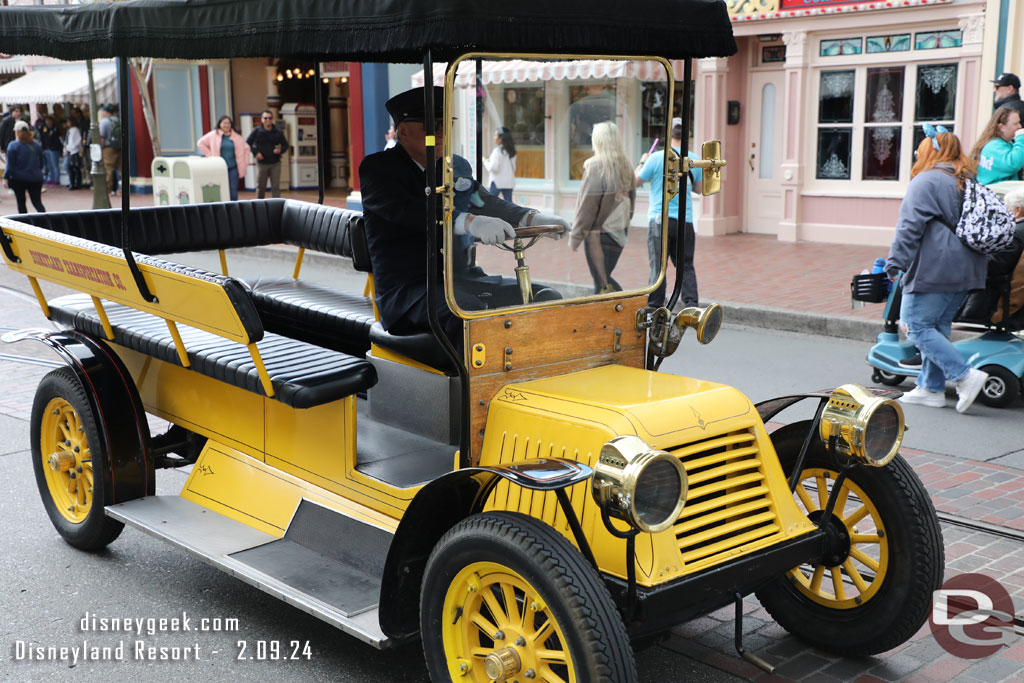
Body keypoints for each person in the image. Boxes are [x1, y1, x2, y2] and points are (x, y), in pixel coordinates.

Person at [359, 86, 567, 350]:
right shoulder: (379, 170)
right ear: (403, 132)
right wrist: (469, 222)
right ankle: (473, 389)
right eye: (431, 128)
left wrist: (529, 217)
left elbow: (481, 200)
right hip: (409, 292)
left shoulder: (454, 165)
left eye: (446, 125)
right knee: (468, 312)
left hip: (463, 280)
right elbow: (409, 211)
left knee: (544, 297)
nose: (441, 134)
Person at [884, 128, 988, 413]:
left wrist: (894, 264)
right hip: (969, 267)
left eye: (921, 149)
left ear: (931, 150)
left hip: (936, 266)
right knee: (937, 327)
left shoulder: (926, 181)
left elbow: (909, 228)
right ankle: (930, 388)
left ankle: (964, 376)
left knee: (915, 326)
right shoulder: (966, 179)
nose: (918, 154)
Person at [636, 117, 702, 309]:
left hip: (659, 219)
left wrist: (642, 162)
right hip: (685, 220)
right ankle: (691, 305)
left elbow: (634, 181)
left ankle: (655, 305)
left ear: (668, 134)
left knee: (658, 267)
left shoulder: (656, 158)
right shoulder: (694, 159)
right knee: (686, 265)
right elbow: (699, 189)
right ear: (687, 134)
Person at [570, 121, 636, 294]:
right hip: (619, 232)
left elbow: (587, 206)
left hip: (597, 236)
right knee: (603, 280)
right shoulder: (626, 165)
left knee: (602, 283)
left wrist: (575, 237)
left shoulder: (595, 166)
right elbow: (632, 201)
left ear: (598, 141)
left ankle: (628, 309)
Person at [197, 115, 250, 201]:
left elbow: (247, 148)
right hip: (219, 167)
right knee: (220, 188)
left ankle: (233, 208)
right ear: (220, 124)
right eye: (224, 123)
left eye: (228, 123)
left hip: (233, 167)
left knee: (233, 190)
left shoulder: (237, 137)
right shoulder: (213, 134)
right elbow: (200, 143)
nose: (227, 125)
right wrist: (210, 156)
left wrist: (245, 162)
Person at [971, 106, 1024, 185]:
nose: (1019, 126)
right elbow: (1012, 165)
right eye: (1015, 124)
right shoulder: (993, 147)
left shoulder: (1003, 143)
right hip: (995, 195)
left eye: (1019, 122)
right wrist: (1021, 139)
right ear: (1001, 127)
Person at [3, 120, 46, 214]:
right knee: (37, 202)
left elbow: (10, 165)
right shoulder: (36, 145)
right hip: (35, 177)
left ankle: (24, 224)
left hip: (19, 178)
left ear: (16, 131)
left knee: (21, 202)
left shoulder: (13, 145)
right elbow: (41, 162)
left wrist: (5, 178)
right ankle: (45, 221)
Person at [246, 110, 289, 198]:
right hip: (262, 163)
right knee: (261, 186)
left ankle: (276, 205)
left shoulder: (278, 131)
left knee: (276, 186)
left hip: (275, 163)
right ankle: (259, 204)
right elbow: (247, 143)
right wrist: (256, 153)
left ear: (272, 119)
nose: (267, 120)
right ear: (262, 119)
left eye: (270, 118)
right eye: (265, 118)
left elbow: (286, 145)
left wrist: (280, 150)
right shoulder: (257, 131)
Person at [483, 126, 516, 201]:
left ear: (500, 138)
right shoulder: (512, 151)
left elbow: (493, 168)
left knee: (491, 203)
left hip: (497, 182)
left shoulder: (497, 151)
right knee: (509, 205)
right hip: (509, 181)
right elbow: (514, 168)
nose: (494, 137)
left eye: (495, 135)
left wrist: (485, 162)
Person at [98, 104, 121, 195]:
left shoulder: (104, 122)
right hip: (120, 147)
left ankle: (107, 190)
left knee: (108, 170)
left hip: (108, 149)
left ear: (106, 112)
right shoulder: (118, 120)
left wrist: (101, 148)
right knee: (121, 170)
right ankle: (122, 189)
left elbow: (102, 137)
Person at [62, 118, 83, 191]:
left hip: (74, 151)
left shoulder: (74, 130)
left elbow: (73, 141)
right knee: (72, 167)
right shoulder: (71, 130)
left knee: (73, 167)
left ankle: (75, 183)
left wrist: (68, 148)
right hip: (71, 151)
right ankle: (74, 183)